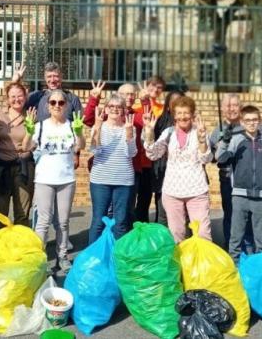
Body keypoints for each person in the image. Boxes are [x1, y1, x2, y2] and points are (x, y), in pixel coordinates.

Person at [22, 90, 86, 271]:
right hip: (44, 179)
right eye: (53, 103)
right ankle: (39, 258)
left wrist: (80, 133)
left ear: (66, 105)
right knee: (42, 222)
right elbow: (26, 147)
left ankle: (62, 256)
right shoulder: (41, 126)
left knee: (63, 222)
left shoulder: (72, 125)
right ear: (47, 106)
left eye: (61, 103)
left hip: (66, 179)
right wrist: (29, 132)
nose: (57, 106)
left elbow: (80, 146)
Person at [144, 96, 213, 243]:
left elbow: (205, 159)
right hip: (172, 191)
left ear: (192, 114)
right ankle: (180, 264)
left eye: (186, 113)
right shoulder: (168, 133)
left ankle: (202, 265)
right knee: (176, 234)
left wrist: (202, 141)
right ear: (174, 115)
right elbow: (153, 154)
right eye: (179, 113)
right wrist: (149, 134)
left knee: (202, 234)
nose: (183, 116)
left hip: (197, 190)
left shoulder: (199, 131)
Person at [216, 105, 262, 263]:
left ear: (260, 121)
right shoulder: (237, 140)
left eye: (255, 120)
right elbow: (220, 157)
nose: (252, 123)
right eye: (248, 120)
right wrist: (225, 141)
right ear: (242, 122)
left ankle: (261, 268)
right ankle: (234, 268)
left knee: (261, 239)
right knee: (235, 237)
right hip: (239, 196)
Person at [83, 81, 145, 227]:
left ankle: (122, 247)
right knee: (102, 217)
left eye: (132, 94)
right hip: (104, 173)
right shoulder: (105, 119)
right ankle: (102, 246)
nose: (129, 97)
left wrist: (146, 101)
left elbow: (148, 125)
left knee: (125, 215)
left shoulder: (136, 117)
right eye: (125, 94)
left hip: (129, 172)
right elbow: (89, 120)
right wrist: (94, 98)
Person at [88, 94, 137, 243]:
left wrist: (129, 134)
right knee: (98, 220)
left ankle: (118, 258)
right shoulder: (99, 126)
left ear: (123, 111)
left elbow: (131, 153)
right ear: (106, 109)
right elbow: (95, 151)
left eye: (119, 107)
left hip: (124, 180)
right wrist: (96, 128)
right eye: (111, 106)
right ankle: (93, 258)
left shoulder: (130, 127)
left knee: (120, 222)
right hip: (100, 180)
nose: (115, 109)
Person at [0, 81, 35, 231]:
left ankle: (20, 250)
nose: (16, 99)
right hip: (0, 166)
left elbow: (34, 144)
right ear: (7, 99)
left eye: (19, 96)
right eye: (12, 96)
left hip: (23, 166)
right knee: (0, 214)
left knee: (22, 213)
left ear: (25, 96)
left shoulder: (31, 115)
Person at [138, 90, 184, 224]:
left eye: (180, 102)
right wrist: (148, 130)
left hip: (184, 174)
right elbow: (148, 144)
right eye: (173, 103)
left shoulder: (190, 123)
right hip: (163, 171)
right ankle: (164, 241)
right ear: (168, 106)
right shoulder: (160, 122)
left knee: (182, 214)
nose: (177, 106)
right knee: (163, 211)